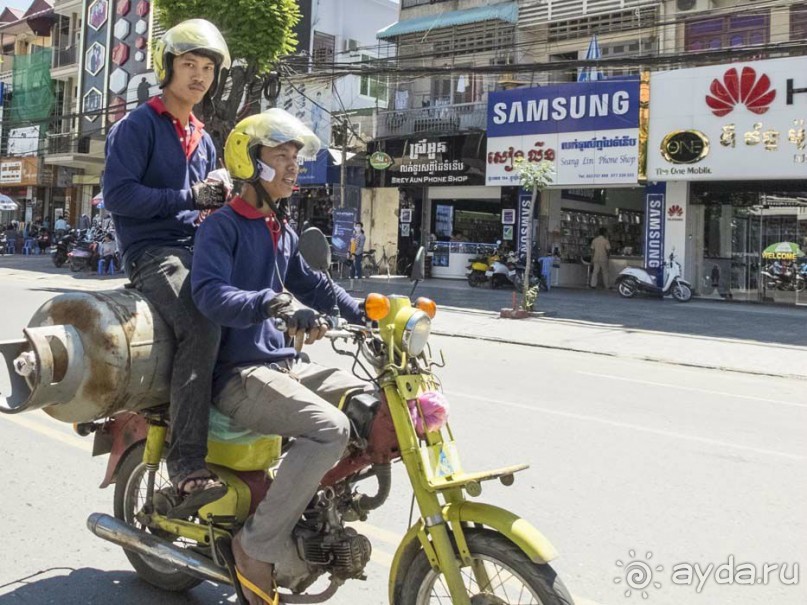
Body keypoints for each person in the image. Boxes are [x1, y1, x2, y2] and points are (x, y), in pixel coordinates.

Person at [191, 109, 368, 604]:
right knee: (329, 428)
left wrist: (367, 310)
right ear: (250, 163)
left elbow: (314, 284)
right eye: (281, 157)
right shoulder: (221, 227)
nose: (293, 168)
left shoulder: (280, 229)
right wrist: (267, 302)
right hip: (238, 374)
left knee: (370, 403)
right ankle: (258, 543)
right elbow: (208, 294)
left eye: (295, 158)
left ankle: (313, 510)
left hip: (279, 366)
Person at [103, 18, 232, 517]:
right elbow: (118, 195)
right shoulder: (138, 126)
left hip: (197, 250)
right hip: (153, 253)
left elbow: (207, 207)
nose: (198, 76)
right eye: (189, 65)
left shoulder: (203, 136)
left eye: (206, 68)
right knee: (201, 320)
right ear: (168, 69)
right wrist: (189, 196)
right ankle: (185, 465)